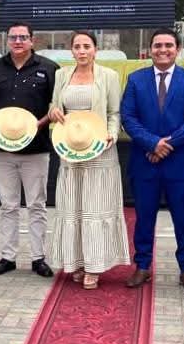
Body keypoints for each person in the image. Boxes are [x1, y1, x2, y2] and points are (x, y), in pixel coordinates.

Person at [120, 28, 184, 291]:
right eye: (158, 45)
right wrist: (152, 143)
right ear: (150, 50)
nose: (163, 50)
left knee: (183, 219)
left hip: (180, 164)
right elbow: (128, 118)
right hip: (144, 162)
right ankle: (142, 266)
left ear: (177, 49)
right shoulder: (136, 80)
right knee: (144, 219)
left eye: (169, 45)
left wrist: (165, 144)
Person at [47, 32, 128, 289]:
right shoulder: (61, 75)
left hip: (100, 150)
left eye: (86, 46)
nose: (82, 51)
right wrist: (53, 111)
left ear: (95, 50)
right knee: (73, 207)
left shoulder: (109, 76)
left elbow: (114, 112)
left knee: (95, 208)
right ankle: (78, 262)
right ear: (71, 50)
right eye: (77, 46)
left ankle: (95, 266)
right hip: (71, 148)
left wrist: (111, 134)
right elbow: (54, 106)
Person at [0, 22, 59, 278]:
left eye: (23, 37)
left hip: (36, 149)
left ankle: (38, 258)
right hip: (2, 150)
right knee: (8, 205)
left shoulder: (49, 68)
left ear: (32, 40)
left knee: (37, 205)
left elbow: (56, 106)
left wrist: (38, 124)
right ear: (7, 40)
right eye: (13, 37)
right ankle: (8, 257)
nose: (17, 41)